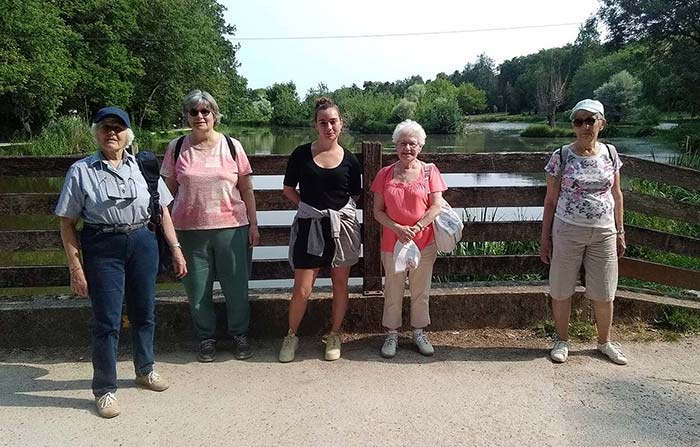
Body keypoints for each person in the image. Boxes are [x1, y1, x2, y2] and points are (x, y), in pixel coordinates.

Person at [56, 106, 187, 418]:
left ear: (128, 134)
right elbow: (66, 224)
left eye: (117, 127)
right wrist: (76, 268)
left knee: (145, 312)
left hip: (143, 241)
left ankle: (145, 369)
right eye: (105, 127)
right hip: (102, 246)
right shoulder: (81, 171)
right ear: (97, 133)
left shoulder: (144, 167)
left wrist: (176, 249)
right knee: (107, 322)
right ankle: (104, 389)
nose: (111, 133)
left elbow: (163, 210)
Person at [161, 90, 259, 363]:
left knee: (236, 287)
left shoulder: (232, 146)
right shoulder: (176, 147)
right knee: (197, 290)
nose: (200, 116)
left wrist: (254, 224)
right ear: (187, 116)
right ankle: (206, 338)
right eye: (194, 112)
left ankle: (239, 334)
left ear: (215, 115)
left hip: (232, 227)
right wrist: (167, 233)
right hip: (189, 230)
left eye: (205, 111)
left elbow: (247, 189)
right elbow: (166, 193)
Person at [540, 99, 628, 365]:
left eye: (591, 120)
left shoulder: (611, 154)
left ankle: (604, 342)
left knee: (604, 290)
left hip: (604, 232)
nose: (585, 126)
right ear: (573, 126)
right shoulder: (562, 156)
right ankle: (562, 340)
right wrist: (545, 238)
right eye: (579, 121)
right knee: (561, 287)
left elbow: (617, 193)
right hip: (567, 230)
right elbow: (550, 200)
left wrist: (620, 230)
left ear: (602, 123)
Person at [278, 97, 362, 363]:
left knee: (340, 285)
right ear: (315, 125)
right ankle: (291, 335)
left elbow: (355, 195)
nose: (329, 127)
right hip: (309, 227)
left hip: (341, 230)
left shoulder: (350, 160)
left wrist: (335, 215)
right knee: (302, 289)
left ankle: (335, 335)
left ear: (341, 124)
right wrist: (309, 208)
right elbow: (289, 190)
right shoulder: (301, 154)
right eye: (323, 122)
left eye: (333, 122)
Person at [370, 120, 447, 358]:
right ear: (396, 145)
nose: (407, 148)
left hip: (424, 242)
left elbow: (436, 206)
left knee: (420, 290)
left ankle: (419, 332)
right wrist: (398, 228)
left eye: (412, 144)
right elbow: (377, 212)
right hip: (393, 243)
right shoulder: (384, 174)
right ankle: (392, 334)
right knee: (392, 289)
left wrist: (416, 227)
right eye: (402, 143)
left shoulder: (429, 171)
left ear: (420, 147)